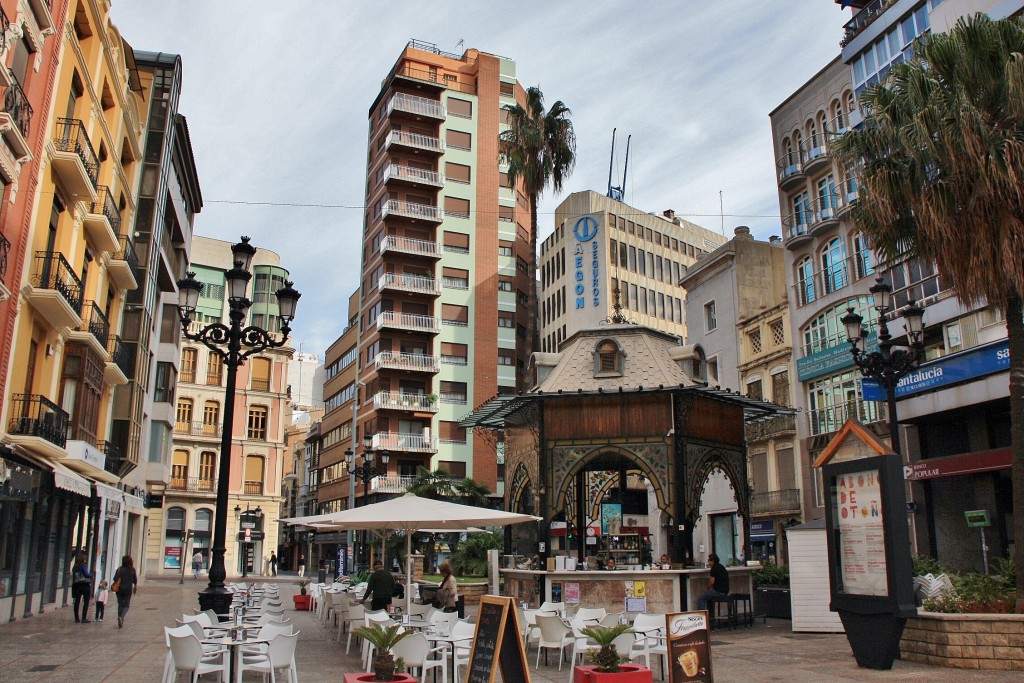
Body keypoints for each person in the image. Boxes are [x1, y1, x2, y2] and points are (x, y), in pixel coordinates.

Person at [112, 555, 139, 629]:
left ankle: (120, 620)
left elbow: (115, 579)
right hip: (128, 590)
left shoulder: (119, 569)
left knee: (120, 604)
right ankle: (121, 617)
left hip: (119, 589)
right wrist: (135, 587)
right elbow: (135, 580)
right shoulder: (132, 569)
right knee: (126, 606)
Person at [71, 551, 93, 623]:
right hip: (85, 585)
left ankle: (76, 618)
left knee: (77, 601)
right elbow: (86, 574)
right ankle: (84, 618)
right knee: (86, 602)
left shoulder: (75, 566)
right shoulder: (83, 565)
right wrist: (91, 575)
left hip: (77, 585)